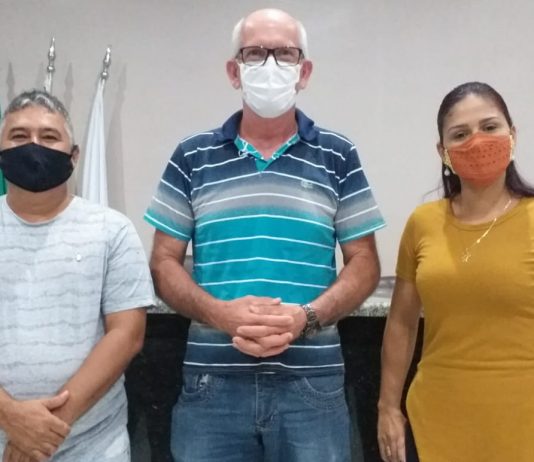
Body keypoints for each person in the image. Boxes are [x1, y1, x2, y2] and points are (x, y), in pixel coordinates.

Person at [145, 8, 385, 462]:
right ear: (234, 71)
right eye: (255, 53)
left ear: (304, 72)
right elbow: (162, 262)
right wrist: (220, 315)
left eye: (285, 54)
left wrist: (305, 319)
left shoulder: (338, 155)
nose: (270, 64)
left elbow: (366, 262)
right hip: (212, 384)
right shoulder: (191, 156)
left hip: (311, 384)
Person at [377, 81, 534, 462]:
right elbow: (401, 323)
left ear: (512, 134)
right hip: (435, 420)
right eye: (460, 134)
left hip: (523, 420)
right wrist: (388, 407)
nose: (477, 141)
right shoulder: (423, 223)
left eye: (490, 127)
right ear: (442, 151)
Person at [0, 90, 154, 462]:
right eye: (19, 136)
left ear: (74, 155)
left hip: (94, 446)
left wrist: (42, 432)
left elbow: (127, 334)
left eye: (49, 136)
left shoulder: (112, 230)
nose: (34, 146)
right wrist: (10, 417)